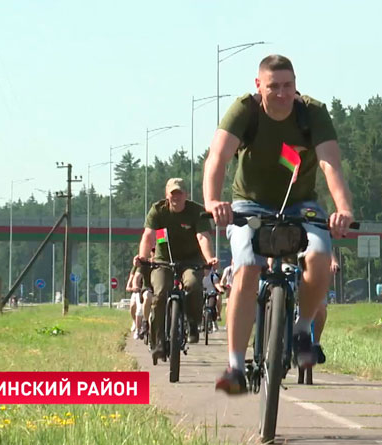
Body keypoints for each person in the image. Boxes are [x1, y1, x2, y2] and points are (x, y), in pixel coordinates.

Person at [203, 54, 354, 395]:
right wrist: (213, 201)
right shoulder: (245, 110)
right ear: (259, 86)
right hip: (248, 204)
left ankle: (302, 329)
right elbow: (218, 157)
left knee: (318, 255)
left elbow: (330, 164)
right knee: (245, 266)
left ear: (296, 85)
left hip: (301, 204)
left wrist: (342, 208)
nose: (282, 94)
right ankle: (237, 365)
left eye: (289, 86)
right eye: (274, 87)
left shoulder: (312, 113)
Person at [136, 178, 217, 362]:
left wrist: (209, 258)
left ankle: (193, 322)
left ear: (185, 195)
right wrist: (142, 257)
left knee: (193, 285)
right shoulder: (158, 211)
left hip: (191, 260)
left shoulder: (196, 211)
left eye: (179, 193)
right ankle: (157, 341)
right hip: (164, 260)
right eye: (173, 194)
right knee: (159, 294)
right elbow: (148, 237)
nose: (176, 197)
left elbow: (203, 237)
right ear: (167, 196)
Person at [201, 267, 221, 333]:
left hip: (212, 294)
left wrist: (221, 290)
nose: (206, 270)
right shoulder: (200, 276)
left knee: (211, 307)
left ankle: (214, 322)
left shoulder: (213, 276)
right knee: (201, 307)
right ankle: (202, 324)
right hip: (202, 294)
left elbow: (216, 284)